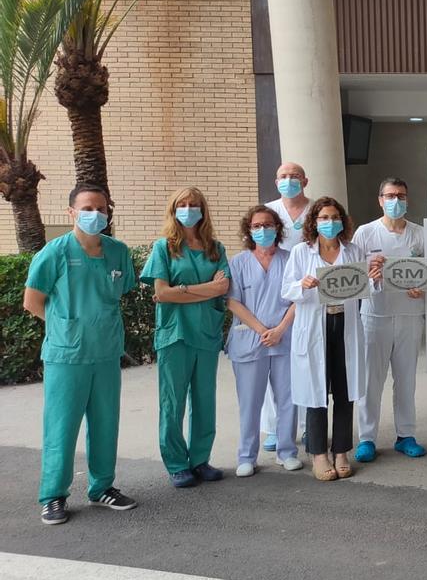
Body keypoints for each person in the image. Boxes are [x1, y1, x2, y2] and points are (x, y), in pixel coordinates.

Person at [24, 184, 138, 525]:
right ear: (71, 212)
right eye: (87, 208)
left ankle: (102, 487)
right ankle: (53, 496)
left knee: (105, 423)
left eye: (101, 208)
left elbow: (120, 291)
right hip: (66, 356)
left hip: (105, 353)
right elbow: (32, 301)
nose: (95, 214)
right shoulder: (54, 252)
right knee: (61, 427)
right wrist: (65, 326)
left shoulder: (118, 252)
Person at [282, 196, 379, 480]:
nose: (330, 222)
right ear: (314, 222)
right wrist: (303, 283)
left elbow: (366, 287)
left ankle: (341, 450)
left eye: (335, 217)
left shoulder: (353, 250)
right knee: (316, 392)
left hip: (345, 325)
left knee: (344, 391)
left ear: (342, 221)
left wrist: (373, 276)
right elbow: (286, 289)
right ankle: (318, 454)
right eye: (323, 217)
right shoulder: (301, 252)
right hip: (314, 326)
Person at [140, 187, 230, 488]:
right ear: (173, 209)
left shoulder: (215, 248)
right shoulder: (163, 248)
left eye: (194, 204)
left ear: (203, 210)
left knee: (205, 400)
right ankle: (178, 464)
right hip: (175, 335)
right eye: (182, 204)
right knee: (173, 401)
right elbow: (161, 293)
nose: (189, 209)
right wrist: (205, 288)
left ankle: (200, 460)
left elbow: (223, 288)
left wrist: (182, 292)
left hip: (205, 333)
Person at [352, 178, 427, 462]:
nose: (396, 201)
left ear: (408, 199)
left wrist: (422, 287)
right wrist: (370, 277)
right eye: (390, 196)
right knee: (372, 380)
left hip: (410, 315)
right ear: (380, 199)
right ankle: (367, 438)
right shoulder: (365, 233)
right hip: (375, 314)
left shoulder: (419, 234)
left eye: (401, 196)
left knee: (406, 379)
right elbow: (354, 275)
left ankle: (405, 435)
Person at [225, 206, 301, 477]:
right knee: (250, 401)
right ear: (249, 230)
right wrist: (261, 330)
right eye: (257, 226)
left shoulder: (291, 259)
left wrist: (280, 329)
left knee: (288, 399)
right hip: (250, 340)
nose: (263, 230)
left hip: (285, 337)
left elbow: (298, 299)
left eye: (268, 224)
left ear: (278, 228)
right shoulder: (238, 263)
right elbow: (233, 302)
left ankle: (287, 451)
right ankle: (246, 456)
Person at [262, 161, 312, 452]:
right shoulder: (269, 211)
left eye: (294, 176)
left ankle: (306, 426)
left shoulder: (316, 209)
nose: (289, 180)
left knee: (304, 363)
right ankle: (274, 428)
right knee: (273, 364)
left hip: (308, 290)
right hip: (274, 290)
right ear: (275, 180)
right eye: (283, 176)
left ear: (305, 180)